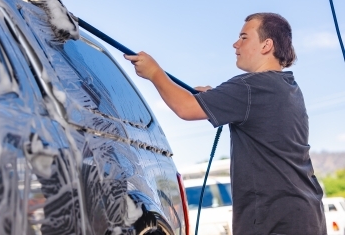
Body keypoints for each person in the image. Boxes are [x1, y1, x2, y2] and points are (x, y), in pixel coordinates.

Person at [124, 13, 326, 235]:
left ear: (266, 45)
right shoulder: (287, 88)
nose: (235, 44)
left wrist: (154, 73)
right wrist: (216, 99)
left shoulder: (250, 86)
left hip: (275, 221)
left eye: (244, 37)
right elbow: (251, 108)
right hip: (305, 216)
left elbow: (185, 108)